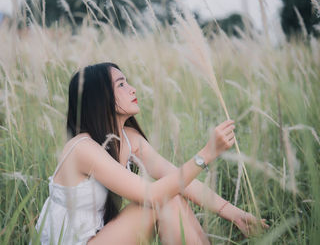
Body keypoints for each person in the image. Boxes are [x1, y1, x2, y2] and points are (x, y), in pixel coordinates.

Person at [35, 62, 268, 245]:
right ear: (100, 97)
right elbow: (154, 195)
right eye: (121, 85)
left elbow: (178, 180)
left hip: (101, 237)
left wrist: (234, 213)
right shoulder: (82, 148)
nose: (132, 88)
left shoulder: (129, 138)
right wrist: (206, 154)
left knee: (173, 196)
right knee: (163, 199)